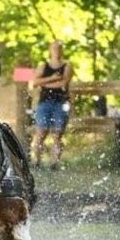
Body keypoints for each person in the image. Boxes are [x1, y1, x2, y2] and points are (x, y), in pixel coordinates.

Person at [32, 40, 73, 170]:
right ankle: (37, 162)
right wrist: (53, 78)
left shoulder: (67, 65)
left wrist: (44, 83)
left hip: (60, 103)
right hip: (44, 103)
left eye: (59, 48)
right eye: (54, 48)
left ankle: (54, 163)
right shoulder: (43, 65)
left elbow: (63, 83)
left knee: (57, 134)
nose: (57, 51)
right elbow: (35, 81)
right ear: (50, 50)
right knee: (40, 133)